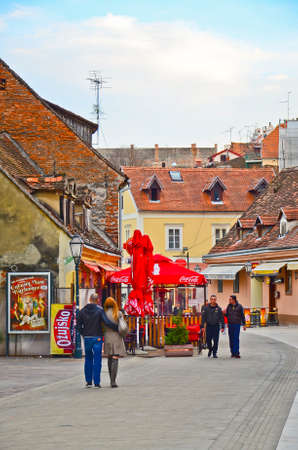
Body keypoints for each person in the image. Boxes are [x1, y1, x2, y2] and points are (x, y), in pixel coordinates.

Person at [77, 293, 118, 388]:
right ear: (97, 300)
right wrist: (116, 327)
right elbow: (106, 322)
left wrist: (84, 334)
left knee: (88, 359)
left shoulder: (82, 311)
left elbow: (78, 326)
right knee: (97, 360)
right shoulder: (100, 310)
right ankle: (96, 382)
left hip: (87, 338)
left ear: (90, 299)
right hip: (97, 337)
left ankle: (88, 381)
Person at [104, 297, 126, 388]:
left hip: (107, 337)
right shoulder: (118, 313)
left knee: (109, 357)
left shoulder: (103, 314)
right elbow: (123, 326)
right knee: (115, 358)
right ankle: (113, 381)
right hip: (116, 337)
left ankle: (110, 378)